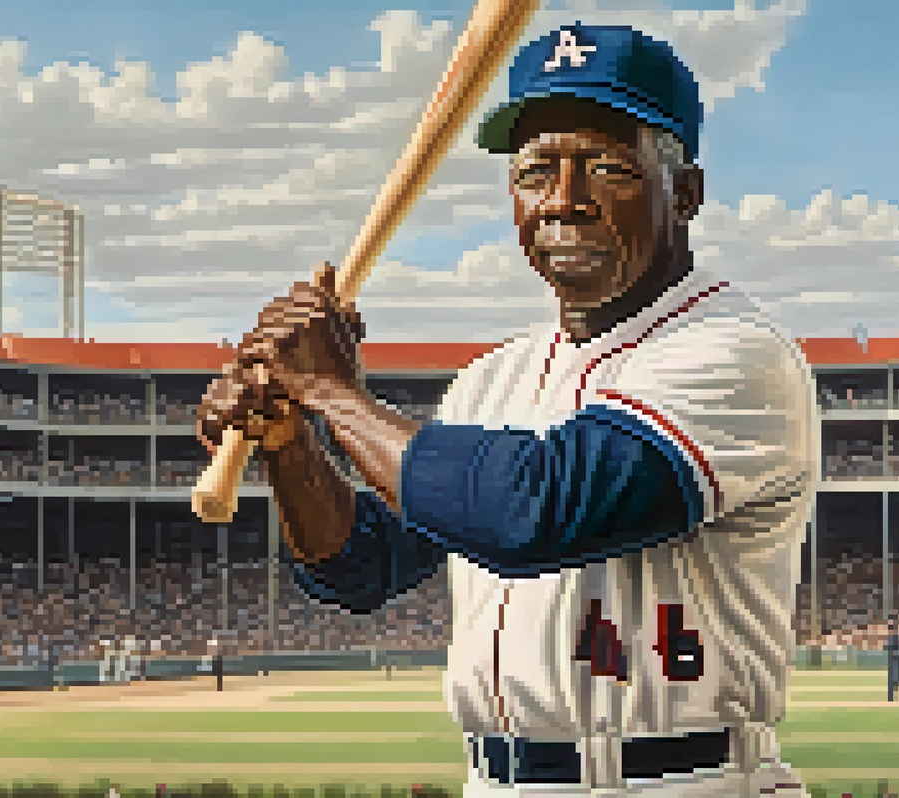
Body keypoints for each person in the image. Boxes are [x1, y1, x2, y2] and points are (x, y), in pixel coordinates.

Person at [199, 23, 816, 797]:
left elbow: (534, 511)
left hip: (679, 781)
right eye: (535, 172)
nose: (564, 202)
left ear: (684, 193)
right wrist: (293, 442)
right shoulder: (492, 380)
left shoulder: (732, 353)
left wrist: (332, 391)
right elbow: (361, 565)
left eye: (606, 167)